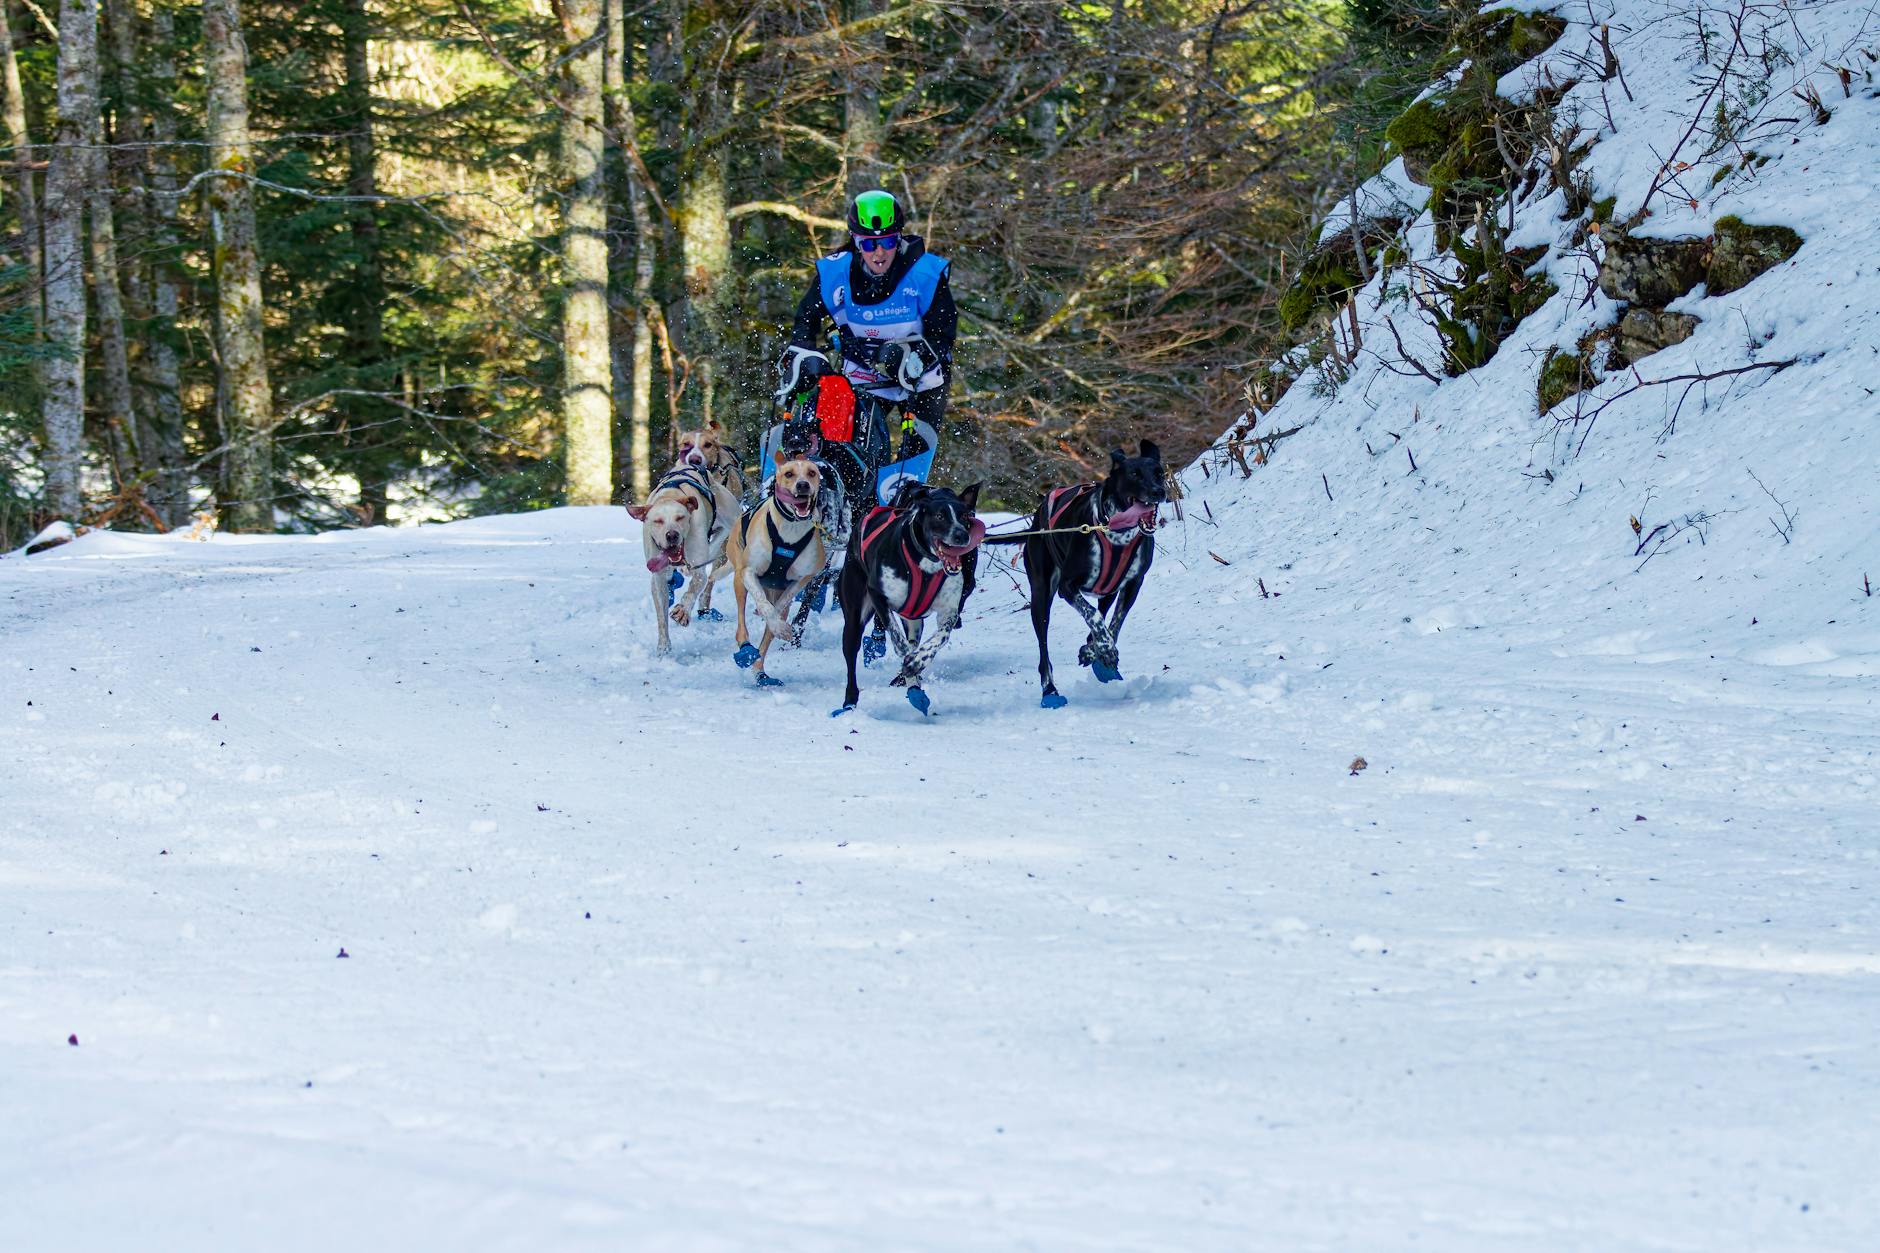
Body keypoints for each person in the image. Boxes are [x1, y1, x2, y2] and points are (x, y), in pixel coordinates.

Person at [777, 189, 957, 451]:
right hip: (863, 372)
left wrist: (914, 358)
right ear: (856, 242)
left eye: (888, 242)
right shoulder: (835, 273)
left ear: (899, 238)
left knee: (915, 452)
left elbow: (944, 335)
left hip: (921, 378)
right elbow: (806, 318)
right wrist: (805, 353)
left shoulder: (925, 273)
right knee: (846, 447)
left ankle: (912, 486)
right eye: (869, 244)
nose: (879, 253)